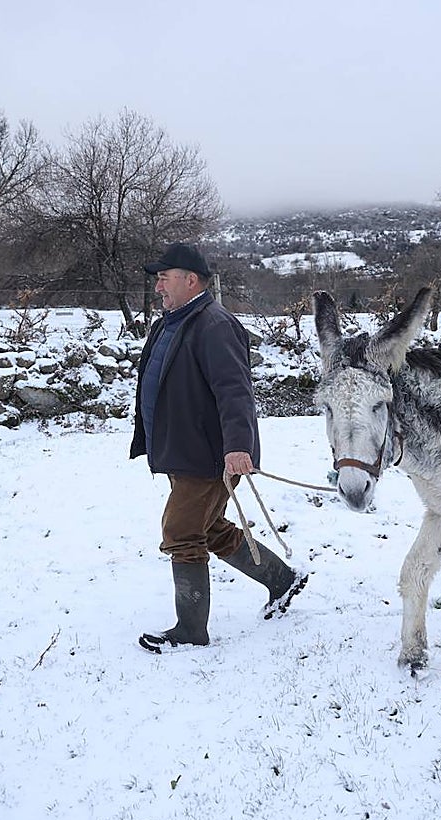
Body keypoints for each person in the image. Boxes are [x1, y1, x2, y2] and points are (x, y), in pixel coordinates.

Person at [131, 242, 308, 653]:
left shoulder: (214, 324)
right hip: (181, 449)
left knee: (181, 532)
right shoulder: (170, 323)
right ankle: (281, 579)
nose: (158, 285)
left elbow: (235, 392)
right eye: (157, 278)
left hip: (210, 456)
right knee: (209, 529)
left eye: (164, 277)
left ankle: (191, 630)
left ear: (190, 280)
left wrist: (238, 447)